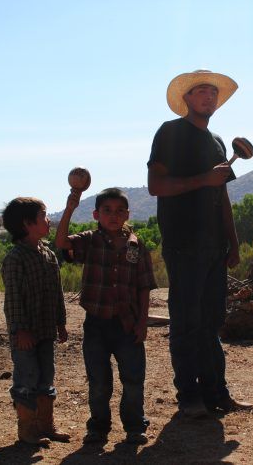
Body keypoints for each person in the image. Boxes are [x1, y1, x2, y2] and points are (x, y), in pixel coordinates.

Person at [147, 69, 253, 418]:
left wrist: (232, 243)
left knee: (210, 323)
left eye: (213, 93)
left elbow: (222, 196)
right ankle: (189, 397)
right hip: (183, 243)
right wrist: (203, 179)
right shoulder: (170, 132)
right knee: (185, 323)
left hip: (213, 247)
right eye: (202, 92)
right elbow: (156, 186)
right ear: (187, 99)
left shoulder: (217, 141)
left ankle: (217, 394)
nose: (210, 97)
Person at [55, 187, 157, 445]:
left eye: (120, 211)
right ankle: (98, 427)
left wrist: (143, 323)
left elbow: (144, 286)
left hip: (128, 324)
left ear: (127, 214)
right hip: (96, 325)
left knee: (133, 380)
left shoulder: (136, 245)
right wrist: (69, 209)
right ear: (96, 214)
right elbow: (62, 243)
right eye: (107, 210)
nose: (114, 215)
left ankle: (135, 426)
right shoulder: (89, 241)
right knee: (99, 382)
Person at [1, 197, 70, 445]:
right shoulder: (15, 258)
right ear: (28, 223)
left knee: (46, 375)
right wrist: (20, 330)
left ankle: (46, 425)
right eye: (43, 216)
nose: (48, 220)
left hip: (46, 329)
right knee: (27, 377)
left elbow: (57, 293)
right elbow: (13, 298)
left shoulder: (49, 255)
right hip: (25, 334)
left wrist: (60, 323)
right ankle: (27, 430)